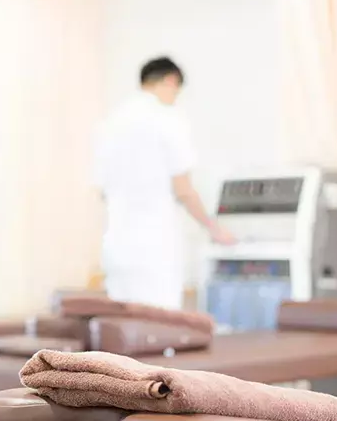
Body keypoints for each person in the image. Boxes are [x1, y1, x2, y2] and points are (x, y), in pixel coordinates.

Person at [93, 56, 236, 310]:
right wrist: (213, 228)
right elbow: (183, 189)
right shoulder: (166, 117)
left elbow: (103, 190)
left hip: (116, 245)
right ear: (171, 81)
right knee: (160, 323)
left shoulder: (111, 122)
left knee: (122, 324)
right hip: (153, 246)